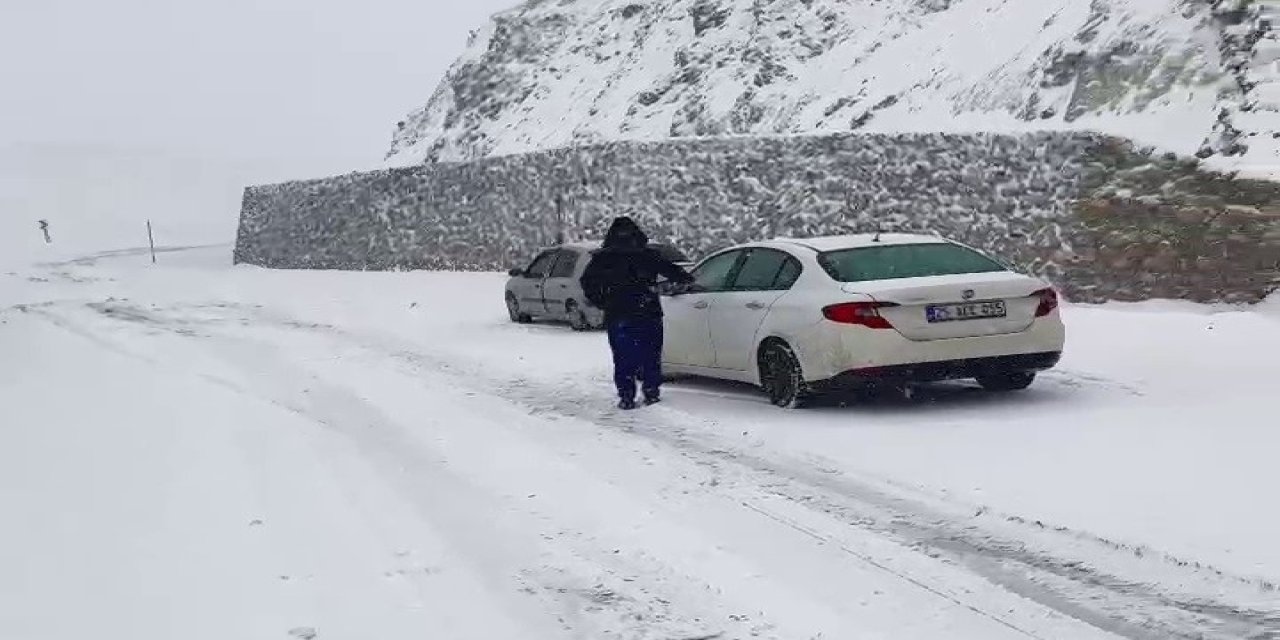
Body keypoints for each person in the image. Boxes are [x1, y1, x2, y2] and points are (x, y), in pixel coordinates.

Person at [580, 216, 693, 410]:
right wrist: (684, 281)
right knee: (650, 355)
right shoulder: (647, 255)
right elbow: (675, 272)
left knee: (623, 358)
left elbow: (587, 282)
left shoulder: (603, 258)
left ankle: (627, 396)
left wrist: (602, 301)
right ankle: (651, 392)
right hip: (647, 310)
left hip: (618, 313)